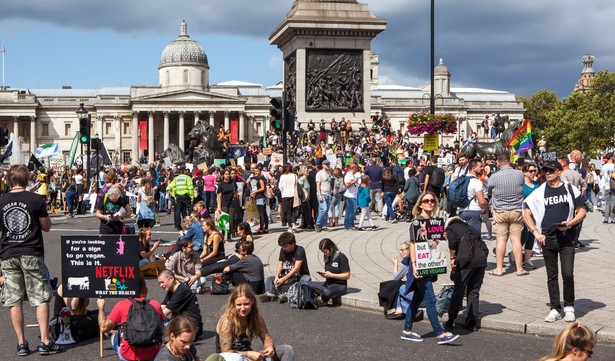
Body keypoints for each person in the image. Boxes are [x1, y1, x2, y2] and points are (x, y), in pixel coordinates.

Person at [0, 164, 66, 356]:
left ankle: (21, 343)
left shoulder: (1, 201)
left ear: (9, 181)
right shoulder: (36, 199)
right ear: (27, 179)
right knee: (40, 297)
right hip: (31, 251)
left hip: (8, 253)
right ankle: (45, 341)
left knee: (14, 299)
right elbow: (47, 226)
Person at [523, 159, 586, 323]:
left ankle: (569, 306)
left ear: (559, 172)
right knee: (551, 275)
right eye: (545, 170)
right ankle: (555, 308)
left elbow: (582, 212)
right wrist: (536, 233)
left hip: (566, 238)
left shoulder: (570, 189)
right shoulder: (540, 191)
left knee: (567, 273)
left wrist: (570, 223)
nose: (547, 173)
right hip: (547, 238)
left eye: (551, 170)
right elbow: (526, 214)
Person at [400, 192, 459, 345]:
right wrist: (414, 265)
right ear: (420, 204)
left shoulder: (433, 222)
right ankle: (440, 334)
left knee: (417, 299)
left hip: (429, 264)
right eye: (426, 201)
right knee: (430, 299)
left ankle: (407, 330)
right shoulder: (417, 222)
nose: (429, 203)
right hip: (420, 265)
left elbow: (433, 244)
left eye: (432, 200)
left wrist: (440, 236)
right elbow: (413, 244)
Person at [215, 284, 295, 361]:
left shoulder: (255, 317)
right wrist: (249, 354)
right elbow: (226, 353)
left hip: (249, 357)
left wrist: (269, 347)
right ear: (233, 304)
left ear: (252, 301)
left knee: (287, 349)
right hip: (232, 359)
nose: (242, 308)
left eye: (246, 304)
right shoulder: (227, 322)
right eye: (239, 305)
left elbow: (266, 338)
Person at [97, 276, 164, 361]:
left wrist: (101, 308)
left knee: (114, 337)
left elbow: (103, 327)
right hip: (153, 354)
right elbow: (161, 328)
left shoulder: (122, 305)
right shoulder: (155, 305)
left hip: (129, 356)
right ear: (146, 290)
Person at [443, 217, 489, 332]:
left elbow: (453, 243)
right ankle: (472, 322)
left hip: (465, 262)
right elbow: (485, 248)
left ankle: (450, 321)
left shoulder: (451, 228)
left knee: (459, 290)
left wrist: (453, 257)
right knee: (474, 291)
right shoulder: (472, 228)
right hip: (480, 261)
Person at [487, 154, 526, 276]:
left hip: (500, 211)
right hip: (516, 211)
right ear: (509, 161)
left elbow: (489, 190)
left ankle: (499, 269)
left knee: (501, 239)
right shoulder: (519, 174)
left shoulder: (494, 177)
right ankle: (519, 269)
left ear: (498, 163)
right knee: (516, 240)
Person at [261, 232, 311, 302]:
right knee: (268, 279)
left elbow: (296, 268)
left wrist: (283, 279)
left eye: (285, 246)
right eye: (283, 247)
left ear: (292, 243)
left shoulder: (300, 250)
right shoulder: (283, 250)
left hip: (300, 275)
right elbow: (280, 264)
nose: (284, 248)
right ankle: (270, 293)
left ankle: (289, 295)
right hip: (289, 276)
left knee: (306, 279)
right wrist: (277, 277)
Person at [158, 270, 204, 339]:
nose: (161, 285)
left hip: (191, 327)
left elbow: (164, 313)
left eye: (162, 282)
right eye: (159, 283)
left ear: (171, 279)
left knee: (157, 326)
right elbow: (160, 308)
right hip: (181, 322)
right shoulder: (171, 291)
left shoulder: (182, 290)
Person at [305, 238, 350, 307]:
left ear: (331, 247)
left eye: (326, 251)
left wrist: (331, 275)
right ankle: (315, 298)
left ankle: (321, 299)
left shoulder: (341, 257)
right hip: (328, 283)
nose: (325, 254)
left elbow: (347, 275)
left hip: (340, 285)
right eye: (323, 252)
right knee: (306, 284)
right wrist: (325, 275)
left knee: (327, 292)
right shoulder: (327, 257)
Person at [457, 159, 489, 233]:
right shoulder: (476, 182)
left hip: (462, 211)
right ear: (474, 169)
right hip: (474, 211)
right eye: (480, 166)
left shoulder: (461, 180)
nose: (482, 168)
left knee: (465, 236)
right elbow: (482, 201)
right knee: (474, 237)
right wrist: (487, 208)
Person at [278, 164, 298, 233]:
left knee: (288, 211)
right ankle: (294, 224)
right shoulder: (294, 175)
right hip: (293, 194)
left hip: (285, 195)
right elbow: (296, 184)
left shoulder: (282, 176)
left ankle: (289, 227)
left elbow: (280, 187)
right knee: (293, 210)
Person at [315, 160, 332, 232]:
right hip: (322, 193)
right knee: (323, 209)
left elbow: (330, 183)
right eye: (326, 164)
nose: (328, 165)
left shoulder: (329, 173)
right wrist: (319, 195)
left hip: (328, 193)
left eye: (328, 164)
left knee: (326, 210)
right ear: (323, 165)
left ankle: (324, 225)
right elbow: (318, 185)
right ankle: (318, 223)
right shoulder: (319, 173)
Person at [342, 164, 361, 229]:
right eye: (356, 168)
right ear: (354, 168)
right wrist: (354, 181)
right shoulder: (348, 175)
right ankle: (350, 224)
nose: (357, 170)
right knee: (353, 210)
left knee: (348, 210)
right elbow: (347, 184)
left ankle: (347, 224)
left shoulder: (352, 175)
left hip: (353, 195)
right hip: (350, 195)